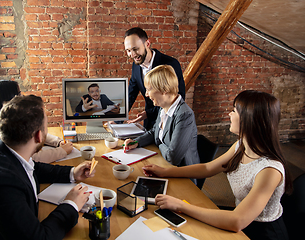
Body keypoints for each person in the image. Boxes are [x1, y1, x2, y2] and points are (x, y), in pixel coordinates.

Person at [142, 90, 292, 240]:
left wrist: (181, 206)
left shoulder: (270, 170)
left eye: (234, 111)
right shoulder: (241, 146)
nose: (230, 114)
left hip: (260, 233)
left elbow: (237, 221)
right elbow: (207, 168)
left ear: (249, 120)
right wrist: (165, 172)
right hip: (239, 220)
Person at [0, 95, 94, 240]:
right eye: (46, 127)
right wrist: (71, 204)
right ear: (38, 136)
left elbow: (33, 168)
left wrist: (72, 173)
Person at [123, 65, 199, 183]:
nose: (147, 94)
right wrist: (136, 142)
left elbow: (173, 157)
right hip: (164, 166)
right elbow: (155, 131)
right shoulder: (163, 107)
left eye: (149, 89)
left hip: (183, 177)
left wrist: (158, 143)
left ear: (164, 89)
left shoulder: (185, 115)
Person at [0, 79, 72, 163]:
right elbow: (30, 157)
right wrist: (62, 151)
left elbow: (31, 133)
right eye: (18, 94)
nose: (21, 98)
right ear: (7, 100)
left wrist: (57, 142)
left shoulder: (9, 120)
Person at [124, 27, 186, 130]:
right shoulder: (135, 66)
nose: (132, 54)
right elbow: (131, 94)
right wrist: (117, 118)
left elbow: (178, 98)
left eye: (135, 49)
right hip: (149, 123)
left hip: (169, 122)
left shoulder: (171, 64)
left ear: (147, 44)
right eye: (128, 50)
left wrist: (149, 113)